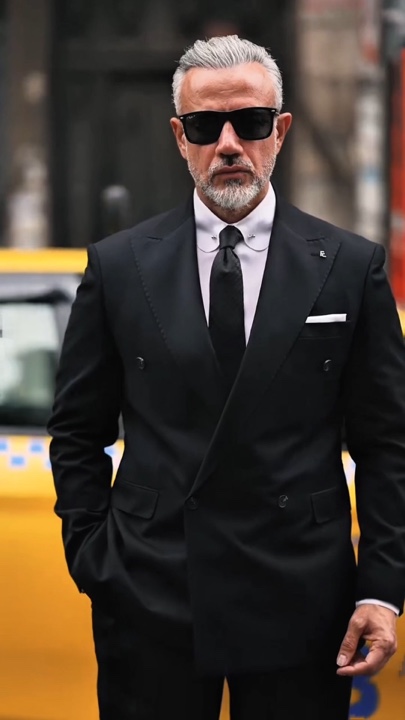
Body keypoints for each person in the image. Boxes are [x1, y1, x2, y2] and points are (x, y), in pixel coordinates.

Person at [48, 35, 405, 720]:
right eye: (207, 126)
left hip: (303, 597)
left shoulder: (348, 266)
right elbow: (76, 430)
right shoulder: (119, 267)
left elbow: (388, 442)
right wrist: (94, 556)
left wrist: (380, 590)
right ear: (179, 137)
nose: (230, 144)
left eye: (252, 122)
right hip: (149, 590)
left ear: (282, 130)